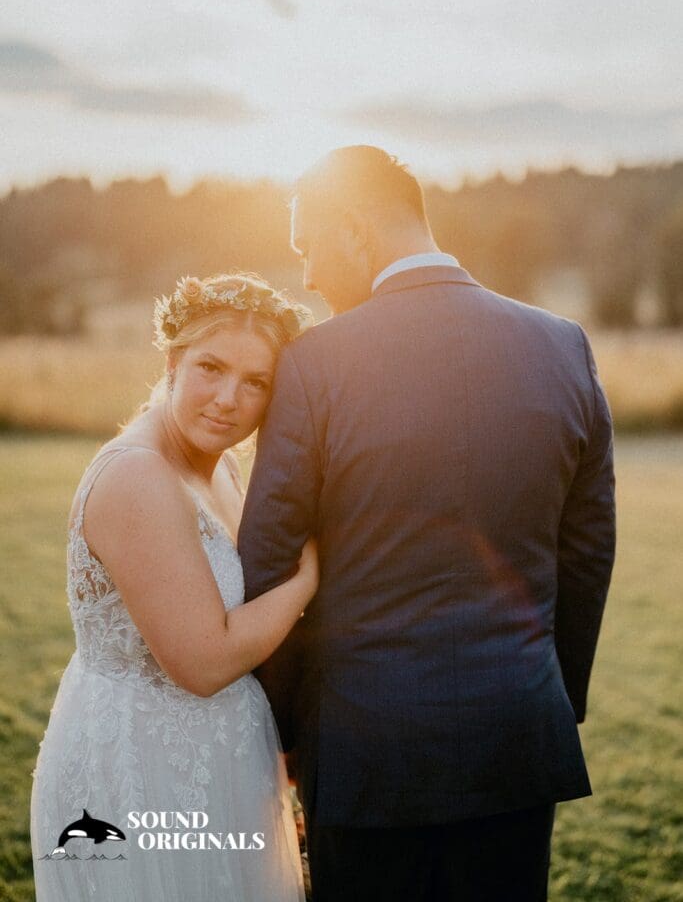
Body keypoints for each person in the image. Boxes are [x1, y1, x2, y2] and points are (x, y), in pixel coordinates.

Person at [238, 146, 616, 902]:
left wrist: (280, 730)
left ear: (353, 230)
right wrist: (549, 694)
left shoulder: (315, 364)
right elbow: (586, 551)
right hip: (516, 735)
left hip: (361, 748)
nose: (307, 277)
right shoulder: (561, 346)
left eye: (307, 248)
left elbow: (269, 560)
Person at [31, 272, 315, 902]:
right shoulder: (137, 475)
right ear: (172, 361)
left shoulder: (226, 470)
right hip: (141, 769)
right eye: (210, 367)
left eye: (256, 382)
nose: (227, 399)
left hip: (222, 759)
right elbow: (204, 661)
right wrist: (310, 577)